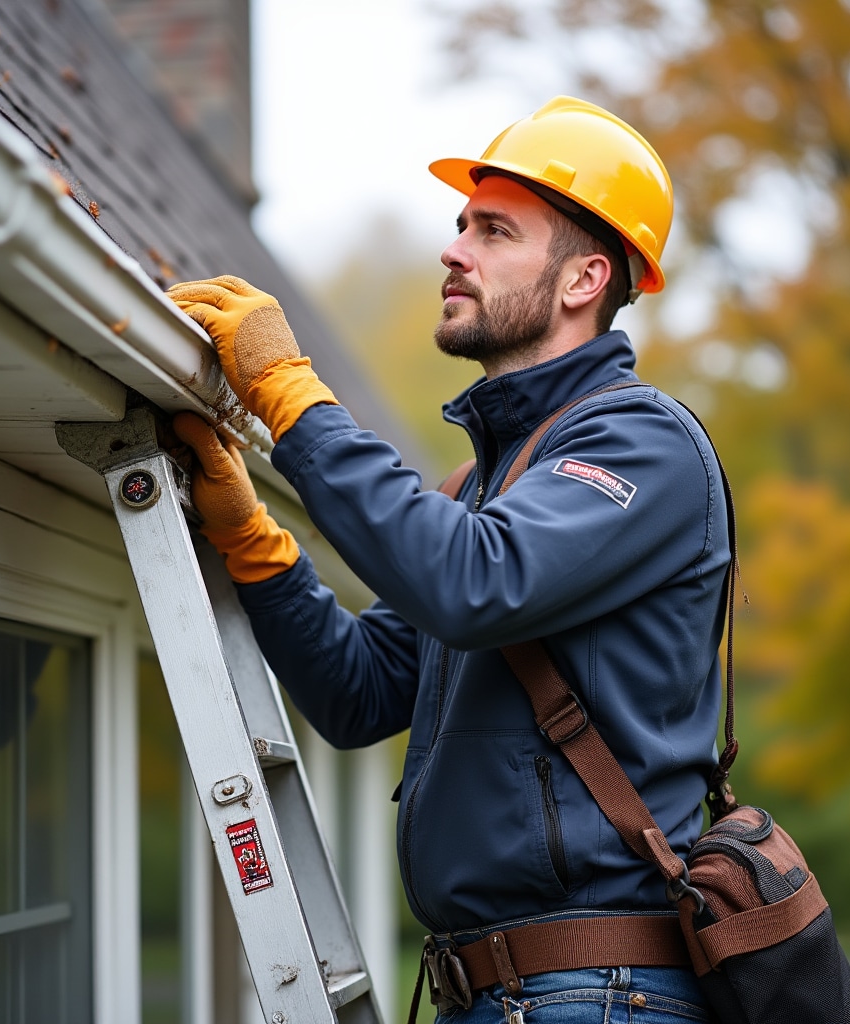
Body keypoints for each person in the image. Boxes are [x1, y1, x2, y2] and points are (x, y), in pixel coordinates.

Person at [168, 96, 729, 1023]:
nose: (453, 250)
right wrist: (255, 547)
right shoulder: (481, 488)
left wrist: (289, 395)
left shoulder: (643, 445)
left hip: (599, 991)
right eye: (462, 224)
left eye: (493, 231)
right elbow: (358, 692)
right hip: (501, 992)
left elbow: (472, 582)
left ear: (585, 278)